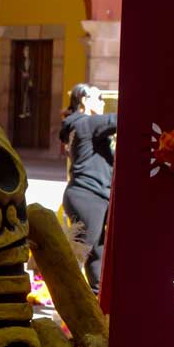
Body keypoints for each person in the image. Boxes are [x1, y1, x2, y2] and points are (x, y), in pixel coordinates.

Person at [59, 83, 117, 294]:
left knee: (96, 252)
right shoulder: (88, 123)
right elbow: (120, 119)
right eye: (98, 97)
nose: (102, 102)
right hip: (88, 196)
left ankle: (96, 298)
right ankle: (66, 296)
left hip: (89, 196)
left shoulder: (77, 125)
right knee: (82, 252)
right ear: (84, 100)